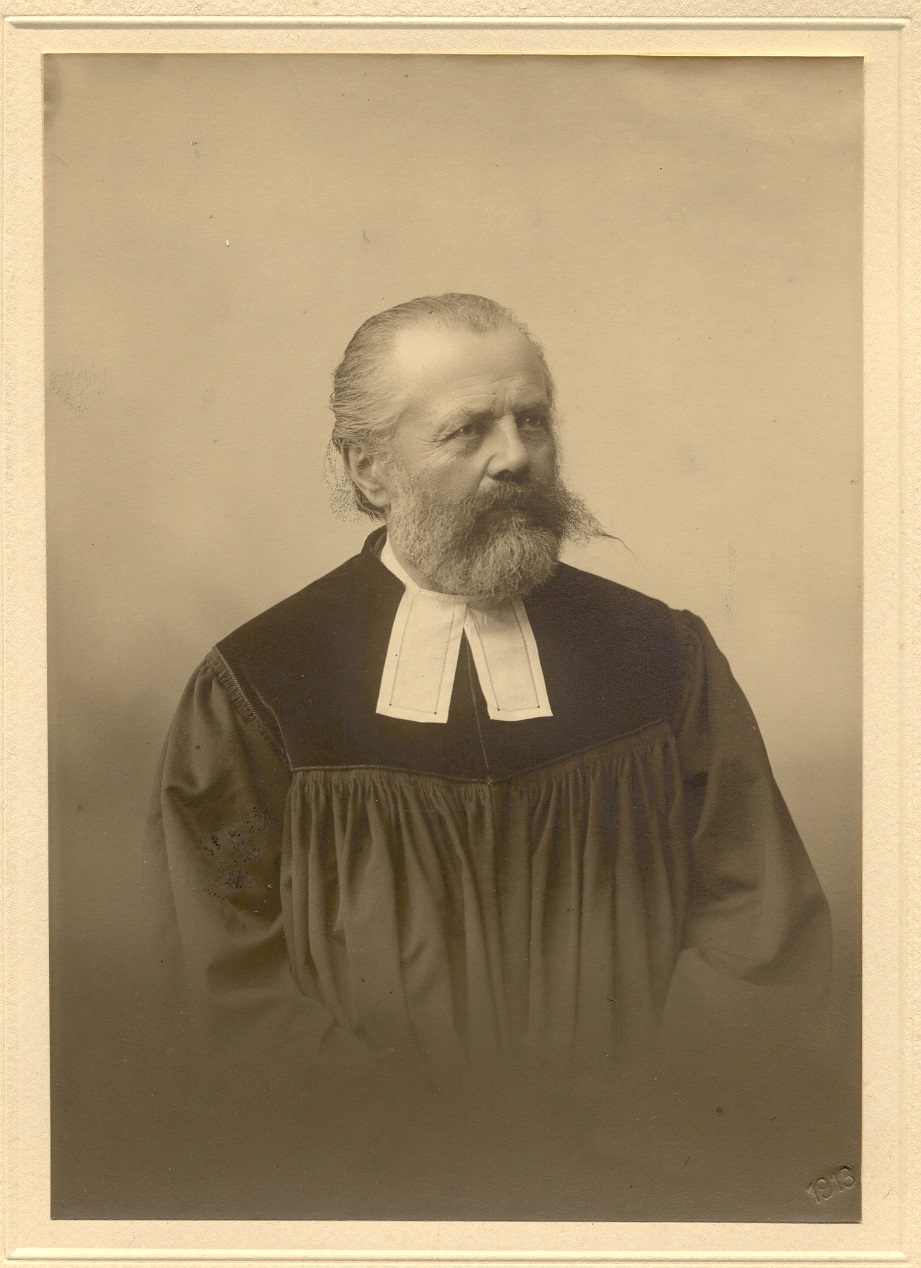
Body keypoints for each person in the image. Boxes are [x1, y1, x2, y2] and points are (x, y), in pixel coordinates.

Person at [149, 293, 832, 1217]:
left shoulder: (661, 656)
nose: (515, 456)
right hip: (368, 1186)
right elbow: (221, 974)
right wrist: (412, 1143)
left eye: (532, 420)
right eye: (466, 429)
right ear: (370, 468)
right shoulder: (260, 682)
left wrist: (645, 1121)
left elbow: (760, 926)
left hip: (640, 1177)